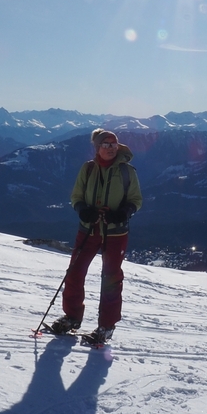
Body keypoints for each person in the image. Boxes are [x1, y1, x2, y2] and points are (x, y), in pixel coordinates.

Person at [49, 129, 143, 345]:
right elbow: (76, 196)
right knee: (75, 271)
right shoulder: (88, 168)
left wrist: (125, 211)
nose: (110, 148)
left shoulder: (128, 171)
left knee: (111, 278)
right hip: (89, 228)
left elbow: (136, 199)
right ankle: (72, 317)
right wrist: (82, 208)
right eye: (105, 144)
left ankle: (106, 326)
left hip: (115, 231)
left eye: (114, 143)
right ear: (97, 147)